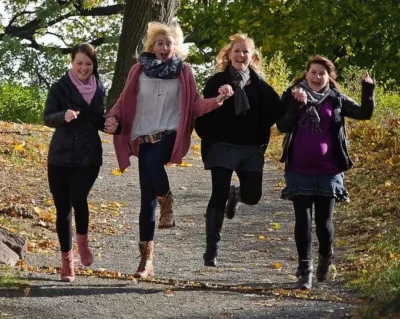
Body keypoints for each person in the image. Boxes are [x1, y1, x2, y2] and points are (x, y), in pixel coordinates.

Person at [104, 22, 233, 278]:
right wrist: (113, 118)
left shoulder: (184, 71)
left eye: (169, 43)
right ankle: (146, 262)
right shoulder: (139, 69)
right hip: (143, 136)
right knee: (145, 201)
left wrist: (217, 101)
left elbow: (194, 105)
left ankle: (168, 204)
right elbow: (123, 99)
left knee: (153, 163)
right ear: (152, 47)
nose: (164, 47)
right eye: (160, 43)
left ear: (176, 47)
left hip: (168, 134)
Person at [277, 55, 374, 290]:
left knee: (324, 223)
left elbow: (364, 113)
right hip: (299, 169)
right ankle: (304, 271)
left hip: (329, 170)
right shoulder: (293, 94)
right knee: (303, 220)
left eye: (322, 73)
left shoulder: (336, 98)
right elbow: (282, 126)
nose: (317, 77)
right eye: (313, 72)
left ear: (328, 77)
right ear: (306, 74)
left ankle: (325, 255)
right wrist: (296, 104)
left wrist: (368, 89)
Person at [194, 33, 282, 267]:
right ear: (228, 55)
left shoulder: (261, 86)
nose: (241, 55)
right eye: (237, 51)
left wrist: (299, 97)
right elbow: (201, 110)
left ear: (252, 56)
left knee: (253, 196)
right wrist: (219, 99)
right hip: (223, 146)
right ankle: (211, 249)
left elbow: (278, 111)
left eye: (245, 52)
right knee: (218, 192)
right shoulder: (216, 81)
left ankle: (237, 195)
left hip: (251, 148)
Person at [44, 43, 107, 282]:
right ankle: (67, 262)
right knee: (63, 210)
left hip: (89, 156)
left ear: (94, 65)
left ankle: (83, 243)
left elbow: (99, 119)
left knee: (78, 198)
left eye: (88, 64)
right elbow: (47, 117)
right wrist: (63, 115)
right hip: (60, 156)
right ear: (72, 62)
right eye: (79, 63)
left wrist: (112, 125)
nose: (83, 68)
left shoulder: (100, 87)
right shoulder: (59, 87)